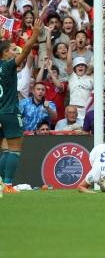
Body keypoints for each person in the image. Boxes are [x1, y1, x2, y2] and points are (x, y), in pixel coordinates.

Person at [0, 19, 42, 193]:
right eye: (11, 49)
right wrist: (35, 34)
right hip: (10, 111)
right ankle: (8, 184)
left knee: (5, 149)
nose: (14, 51)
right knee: (15, 149)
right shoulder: (9, 66)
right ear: (4, 54)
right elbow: (25, 50)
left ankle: (2, 183)